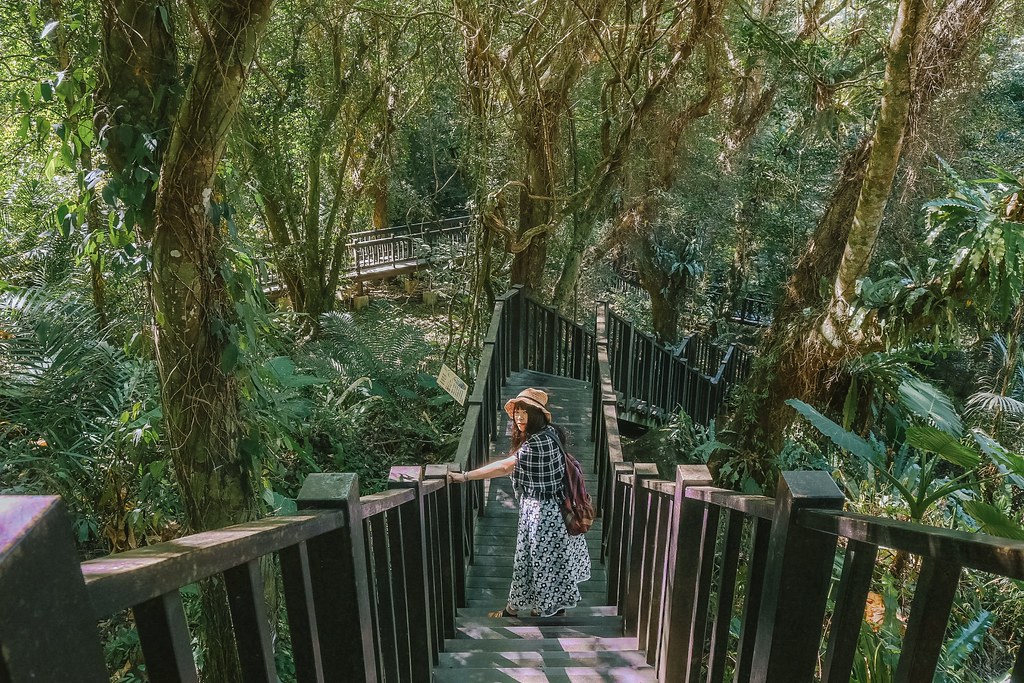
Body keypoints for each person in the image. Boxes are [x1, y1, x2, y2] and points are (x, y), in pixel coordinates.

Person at [448, 388, 591, 617]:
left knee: (534, 561)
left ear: (538, 415)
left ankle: (521, 609)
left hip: (543, 513)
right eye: (517, 412)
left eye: (526, 412)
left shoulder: (539, 443)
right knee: (546, 561)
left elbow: (505, 467)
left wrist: (465, 476)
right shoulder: (550, 434)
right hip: (549, 508)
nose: (520, 417)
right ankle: (540, 607)